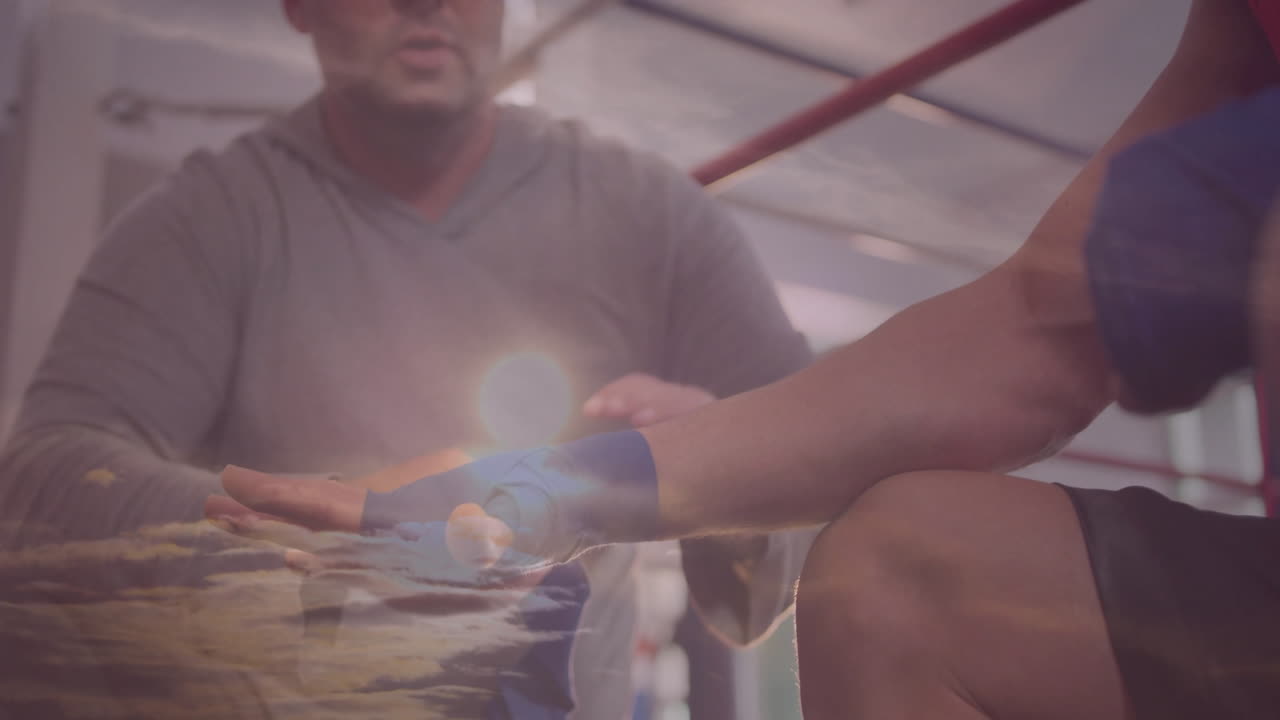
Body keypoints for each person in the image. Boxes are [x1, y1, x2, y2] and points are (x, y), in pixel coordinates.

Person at [217, 1, 1280, 718]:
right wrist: (550, 487)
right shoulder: (225, 211)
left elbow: (749, 580)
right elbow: (1035, 331)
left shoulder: (647, 214)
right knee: (895, 568)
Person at [0, 0, 817, 718]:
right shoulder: (209, 219)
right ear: (298, 4)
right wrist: (329, 534)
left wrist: (714, 460)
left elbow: (823, 467)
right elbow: (44, 476)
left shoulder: (653, 216)